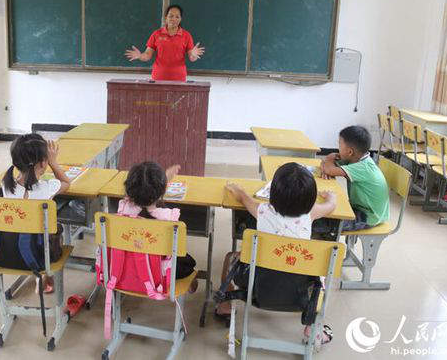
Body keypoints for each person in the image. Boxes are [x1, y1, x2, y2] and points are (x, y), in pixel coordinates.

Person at [215, 163, 337, 344]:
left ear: (272, 194)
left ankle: (224, 306)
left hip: (259, 284)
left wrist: (239, 191)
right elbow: (331, 206)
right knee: (320, 273)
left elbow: (244, 199)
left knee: (230, 257)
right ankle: (312, 324)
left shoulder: (263, 210)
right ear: (310, 199)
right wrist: (331, 197)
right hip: (300, 289)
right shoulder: (311, 213)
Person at [2, 133, 71, 293]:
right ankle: (45, 274)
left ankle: (40, 274)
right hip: (42, 254)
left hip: (10, 252)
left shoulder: (6, 185)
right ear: (43, 163)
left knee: (28, 230)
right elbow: (66, 183)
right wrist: (53, 162)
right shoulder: (47, 187)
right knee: (55, 228)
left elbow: (23, 179)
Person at [118, 161, 198, 290]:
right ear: (163, 191)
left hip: (128, 269)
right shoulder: (169, 217)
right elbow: (175, 250)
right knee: (188, 262)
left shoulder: (123, 209)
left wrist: (163, 181)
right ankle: (191, 282)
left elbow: (134, 195)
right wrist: (164, 182)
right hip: (158, 274)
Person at [319, 125, 389, 232]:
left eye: (339, 145)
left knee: (322, 221)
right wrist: (327, 166)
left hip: (367, 216)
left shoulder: (364, 167)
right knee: (322, 211)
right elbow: (327, 167)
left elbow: (329, 169)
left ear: (350, 152)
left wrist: (328, 159)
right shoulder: (355, 159)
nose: (338, 149)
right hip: (359, 207)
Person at [125, 4, 205, 81]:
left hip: (179, 78)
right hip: (158, 78)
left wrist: (194, 54)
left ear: (180, 19)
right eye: (171, 16)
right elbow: (147, 55)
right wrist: (139, 56)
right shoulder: (156, 34)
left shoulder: (186, 35)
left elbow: (192, 58)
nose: (174, 19)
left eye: (177, 17)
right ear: (166, 17)